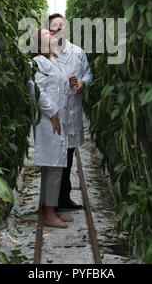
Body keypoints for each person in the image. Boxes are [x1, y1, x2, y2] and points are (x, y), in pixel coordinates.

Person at [28, 28, 74, 228]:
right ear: (39, 43)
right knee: (53, 165)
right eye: (48, 35)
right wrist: (53, 113)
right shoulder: (36, 62)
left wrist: (70, 82)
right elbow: (36, 90)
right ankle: (49, 214)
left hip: (57, 118)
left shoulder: (54, 59)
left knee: (53, 165)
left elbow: (59, 85)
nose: (53, 37)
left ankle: (49, 208)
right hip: (49, 119)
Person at [47, 14, 93, 210]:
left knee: (69, 155)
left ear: (66, 28)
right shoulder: (47, 54)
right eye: (54, 27)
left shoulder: (78, 52)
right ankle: (53, 201)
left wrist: (83, 83)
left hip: (72, 109)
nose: (59, 29)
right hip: (55, 113)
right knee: (55, 157)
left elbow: (88, 73)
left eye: (61, 25)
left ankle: (64, 198)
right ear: (50, 32)